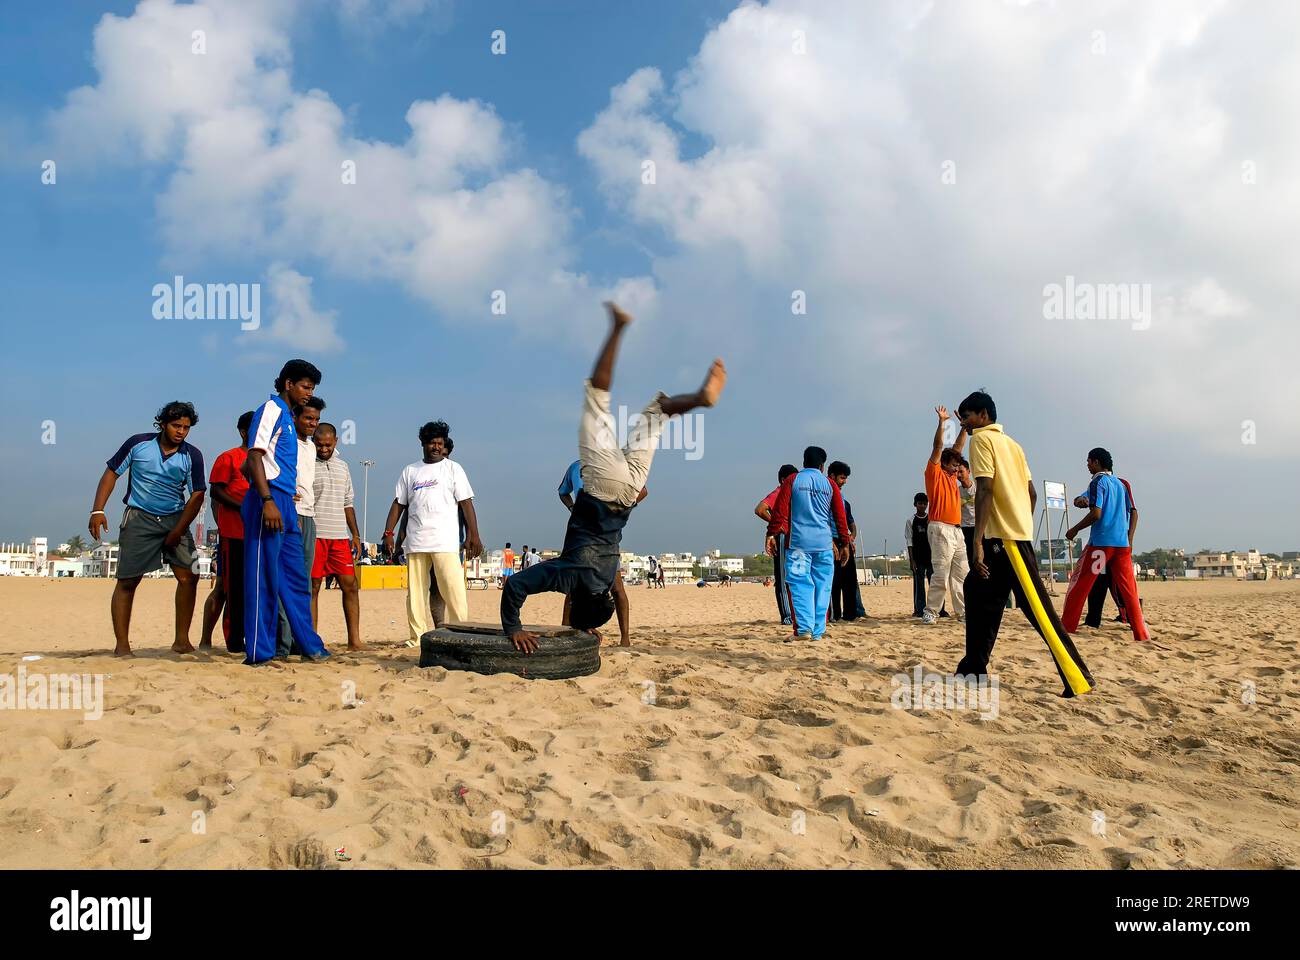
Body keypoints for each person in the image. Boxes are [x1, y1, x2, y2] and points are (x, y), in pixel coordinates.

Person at [502, 301, 726, 651]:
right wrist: (513, 627)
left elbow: (594, 604)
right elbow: (515, 587)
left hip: (630, 492)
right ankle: (619, 327)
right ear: (576, 601)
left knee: (656, 413)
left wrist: (582, 628)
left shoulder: (607, 578)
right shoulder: (567, 576)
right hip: (602, 486)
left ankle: (697, 398)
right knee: (596, 396)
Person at [954, 391, 1093, 697]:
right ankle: (972, 669)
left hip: (1006, 541)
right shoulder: (1013, 445)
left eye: (966, 416)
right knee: (977, 594)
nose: (963, 423)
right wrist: (1020, 521)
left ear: (983, 415)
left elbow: (985, 489)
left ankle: (1077, 677)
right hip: (1008, 537)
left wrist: (978, 540)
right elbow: (1031, 493)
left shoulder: (982, 440)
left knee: (1038, 610)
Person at [89, 401, 206, 656]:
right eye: (176, 426)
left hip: (175, 518)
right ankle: (122, 645)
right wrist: (98, 510)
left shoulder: (192, 455)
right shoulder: (138, 444)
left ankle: (182, 640)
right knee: (128, 580)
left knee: (189, 576)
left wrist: (178, 531)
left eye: (186, 427)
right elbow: (111, 473)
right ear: (163, 424)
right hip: (139, 517)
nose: (181, 432)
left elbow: (197, 494)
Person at [242, 360, 330, 665]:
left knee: (295, 578)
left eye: (312, 388)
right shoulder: (271, 409)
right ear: (288, 383)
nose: (308, 393)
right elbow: (253, 456)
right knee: (262, 576)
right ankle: (260, 651)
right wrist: (267, 497)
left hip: (287, 504)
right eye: (305, 386)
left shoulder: (290, 420)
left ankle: (310, 645)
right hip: (268, 501)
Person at [383, 420, 483, 643]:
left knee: (454, 591)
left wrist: (473, 535)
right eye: (431, 443)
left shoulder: (453, 468)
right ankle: (417, 637)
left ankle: (461, 633)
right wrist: (389, 533)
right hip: (417, 542)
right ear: (423, 444)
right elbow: (399, 504)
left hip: (445, 542)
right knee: (416, 595)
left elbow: (466, 504)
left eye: (439, 443)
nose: (436, 447)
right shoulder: (410, 471)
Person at [1061, 448, 1149, 642]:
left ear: (1097, 463)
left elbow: (1096, 514)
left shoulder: (1097, 482)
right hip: (1122, 545)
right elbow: (1130, 511)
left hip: (1101, 544)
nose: (1087, 465)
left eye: (1089, 461)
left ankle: (1066, 626)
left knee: (1080, 584)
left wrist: (1074, 529)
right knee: (1129, 590)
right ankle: (1141, 633)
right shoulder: (1120, 484)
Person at [765, 446, 851, 641]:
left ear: (804, 462)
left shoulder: (793, 480)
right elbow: (840, 516)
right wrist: (844, 543)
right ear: (822, 466)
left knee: (799, 584)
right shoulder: (829, 484)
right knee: (823, 587)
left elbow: (779, 511)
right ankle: (818, 631)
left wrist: (771, 534)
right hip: (824, 545)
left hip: (798, 544)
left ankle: (804, 630)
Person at [557, 457, 632, 645]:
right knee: (573, 588)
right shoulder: (575, 467)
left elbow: (642, 491)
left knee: (616, 588)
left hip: (606, 538)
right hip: (580, 536)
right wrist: (573, 508)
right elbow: (562, 492)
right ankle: (566, 631)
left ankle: (625, 638)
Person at [200, 410, 253, 653]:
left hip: (260, 536)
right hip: (233, 535)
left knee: (253, 588)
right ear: (243, 432)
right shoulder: (229, 458)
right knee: (229, 589)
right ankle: (228, 640)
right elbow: (216, 492)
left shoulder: (267, 460)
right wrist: (244, 507)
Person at [276, 396, 324, 657]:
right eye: (308, 418)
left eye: (316, 419)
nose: (312, 424)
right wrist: (282, 491)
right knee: (284, 580)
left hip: (308, 515)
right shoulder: (285, 441)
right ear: (295, 418)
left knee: (303, 583)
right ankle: (281, 645)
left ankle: (300, 640)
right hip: (288, 513)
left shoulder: (312, 447)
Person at [311, 421, 364, 651]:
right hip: (314, 535)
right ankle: (311, 641)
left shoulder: (343, 466)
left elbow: (348, 503)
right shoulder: (305, 464)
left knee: (350, 585)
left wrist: (355, 534)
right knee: (313, 587)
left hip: (339, 536)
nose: (323, 449)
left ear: (336, 442)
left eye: (327, 445)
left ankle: (354, 641)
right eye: (319, 445)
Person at [922, 406, 970, 624]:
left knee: (961, 574)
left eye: (958, 467)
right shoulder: (935, 473)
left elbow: (958, 447)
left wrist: (963, 427)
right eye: (953, 466)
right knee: (941, 573)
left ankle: (962, 613)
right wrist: (942, 422)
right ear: (944, 464)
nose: (956, 470)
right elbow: (938, 446)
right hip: (940, 527)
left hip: (956, 530)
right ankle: (931, 612)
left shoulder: (952, 476)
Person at [755, 464, 798, 625]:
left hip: (795, 538)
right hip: (782, 538)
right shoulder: (779, 492)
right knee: (782, 577)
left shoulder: (794, 494)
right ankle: (787, 616)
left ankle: (794, 614)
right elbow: (760, 509)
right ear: (783, 480)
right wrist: (776, 525)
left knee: (795, 577)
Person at [827, 461, 864, 621]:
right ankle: (835, 614)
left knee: (849, 579)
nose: (844, 481)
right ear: (832, 476)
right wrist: (831, 542)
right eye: (842, 478)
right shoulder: (825, 495)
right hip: (831, 541)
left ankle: (850, 614)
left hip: (844, 540)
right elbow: (824, 521)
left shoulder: (843, 500)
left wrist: (850, 538)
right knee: (834, 580)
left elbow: (851, 524)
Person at [904, 493, 931, 618]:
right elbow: (909, 541)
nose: (922, 506)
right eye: (920, 503)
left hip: (931, 557)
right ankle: (919, 609)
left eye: (925, 504)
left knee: (934, 583)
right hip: (918, 557)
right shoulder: (910, 521)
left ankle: (938, 609)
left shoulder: (930, 519)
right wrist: (912, 560)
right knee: (919, 585)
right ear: (915, 504)